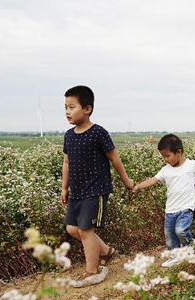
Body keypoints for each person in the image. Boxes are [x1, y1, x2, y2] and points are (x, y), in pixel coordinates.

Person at [61, 85, 135, 288]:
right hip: (76, 191)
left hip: (95, 189)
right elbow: (66, 162)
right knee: (72, 228)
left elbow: (114, 158)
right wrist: (64, 188)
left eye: (72, 107)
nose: (67, 111)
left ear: (87, 109)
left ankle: (92, 271)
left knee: (85, 230)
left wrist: (126, 180)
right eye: (65, 107)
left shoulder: (98, 133)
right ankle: (107, 252)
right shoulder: (69, 135)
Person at [132, 134, 195, 267]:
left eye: (167, 156)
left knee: (180, 230)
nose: (165, 159)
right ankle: (176, 256)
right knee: (170, 237)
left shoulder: (191, 165)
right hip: (170, 210)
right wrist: (138, 187)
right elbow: (153, 179)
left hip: (186, 208)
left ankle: (192, 247)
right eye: (163, 156)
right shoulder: (165, 170)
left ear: (179, 152)